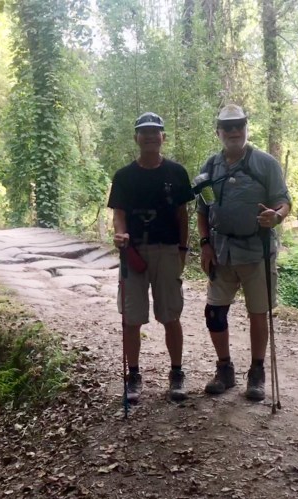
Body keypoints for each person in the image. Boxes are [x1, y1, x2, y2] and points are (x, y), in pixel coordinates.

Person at [196, 104, 291, 401]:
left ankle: (257, 373)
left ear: (247, 128)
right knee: (214, 313)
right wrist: (205, 244)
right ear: (218, 132)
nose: (234, 131)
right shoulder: (210, 167)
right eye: (228, 127)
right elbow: (203, 209)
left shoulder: (265, 164)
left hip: (256, 251)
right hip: (221, 251)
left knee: (258, 313)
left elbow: (283, 201)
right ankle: (224, 369)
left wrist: (276, 216)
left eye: (239, 125)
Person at [107, 112, 195, 403]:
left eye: (154, 132)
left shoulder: (176, 173)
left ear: (162, 137)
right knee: (131, 317)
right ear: (136, 137)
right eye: (144, 132)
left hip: (167, 250)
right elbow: (119, 214)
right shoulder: (123, 176)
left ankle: (177, 373)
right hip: (133, 253)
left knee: (171, 314)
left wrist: (183, 249)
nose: (149, 137)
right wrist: (120, 234)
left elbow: (183, 215)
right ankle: (133, 375)